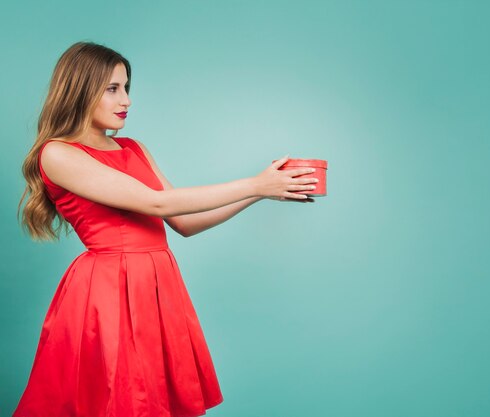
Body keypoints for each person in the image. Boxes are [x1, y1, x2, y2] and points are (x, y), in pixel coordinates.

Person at [14, 41, 318, 417]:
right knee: (112, 399)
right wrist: (255, 184)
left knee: (153, 401)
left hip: (157, 287)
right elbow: (155, 203)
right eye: (112, 89)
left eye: (127, 88)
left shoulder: (134, 149)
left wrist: (264, 192)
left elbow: (184, 222)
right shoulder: (58, 153)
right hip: (106, 292)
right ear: (80, 89)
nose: (125, 99)